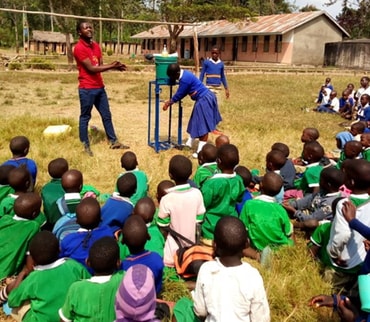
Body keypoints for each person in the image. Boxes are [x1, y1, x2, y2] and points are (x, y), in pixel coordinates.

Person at [191, 216, 270, 321]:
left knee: (183, 306)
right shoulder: (253, 275)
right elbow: (261, 319)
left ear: (214, 245)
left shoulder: (206, 269)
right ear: (247, 244)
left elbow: (200, 311)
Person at [6, 231, 90, 322]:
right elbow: (91, 284)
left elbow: (12, 301)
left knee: (17, 307)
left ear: (33, 259)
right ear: (59, 249)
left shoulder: (34, 278)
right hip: (72, 317)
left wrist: (21, 274)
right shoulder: (74, 266)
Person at [74, 21, 129, 156]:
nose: (89, 29)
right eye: (85, 28)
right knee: (85, 117)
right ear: (80, 32)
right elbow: (92, 69)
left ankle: (114, 141)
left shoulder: (97, 47)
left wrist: (114, 67)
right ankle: (85, 145)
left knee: (106, 115)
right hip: (87, 88)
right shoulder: (79, 48)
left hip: (99, 87)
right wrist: (112, 65)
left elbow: (100, 66)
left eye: (90, 27)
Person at [326, 159, 370, 295]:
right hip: (362, 260)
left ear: (351, 182)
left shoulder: (344, 204)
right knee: (354, 293)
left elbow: (342, 234)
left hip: (343, 262)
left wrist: (333, 254)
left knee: (329, 288)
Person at [163, 63, 222, 158]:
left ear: (177, 73)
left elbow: (180, 94)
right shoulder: (185, 74)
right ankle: (188, 144)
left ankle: (200, 152)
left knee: (203, 127)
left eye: (173, 77)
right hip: (202, 98)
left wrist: (168, 103)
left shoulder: (185, 79)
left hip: (204, 99)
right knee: (195, 122)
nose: (174, 79)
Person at [59, 236, 124, 322]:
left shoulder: (76, 288)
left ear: (87, 262)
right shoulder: (124, 280)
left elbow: (64, 319)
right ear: (118, 263)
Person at [157, 155, 205, 267]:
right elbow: (199, 220)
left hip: (172, 254)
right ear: (191, 173)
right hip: (192, 249)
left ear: (170, 175)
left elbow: (162, 225)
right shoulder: (197, 194)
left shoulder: (166, 199)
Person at [240, 172, 294, 259]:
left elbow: (242, 227)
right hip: (280, 247)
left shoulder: (249, 204)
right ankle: (290, 252)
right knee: (291, 230)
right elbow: (288, 232)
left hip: (258, 246)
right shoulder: (280, 209)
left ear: (260, 184)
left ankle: (258, 256)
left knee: (242, 246)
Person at [200, 144, 244, 244]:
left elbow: (203, 205)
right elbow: (239, 199)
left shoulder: (211, 184)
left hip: (210, 229)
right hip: (231, 226)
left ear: (218, 161)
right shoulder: (239, 180)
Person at [59, 197, 115, 273]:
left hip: (77, 277)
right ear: (101, 219)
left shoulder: (68, 240)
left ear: (76, 221)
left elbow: (61, 259)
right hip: (103, 273)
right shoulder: (107, 232)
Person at [0, 193, 42, 279]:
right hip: (5, 273)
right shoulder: (33, 226)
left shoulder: (5, 219)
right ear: (35, 214)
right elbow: (30, 256)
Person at [120, 215, 164, 294]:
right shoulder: (157, 259)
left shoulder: (122, 267)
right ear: (148, 236)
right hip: (152, 298)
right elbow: (158, 287)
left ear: (123, 241)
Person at [40, 157, 69, 230]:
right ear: (66, 172)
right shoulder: (69, 186)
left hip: (49, 221)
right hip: (65, 221)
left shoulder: (45, 188)